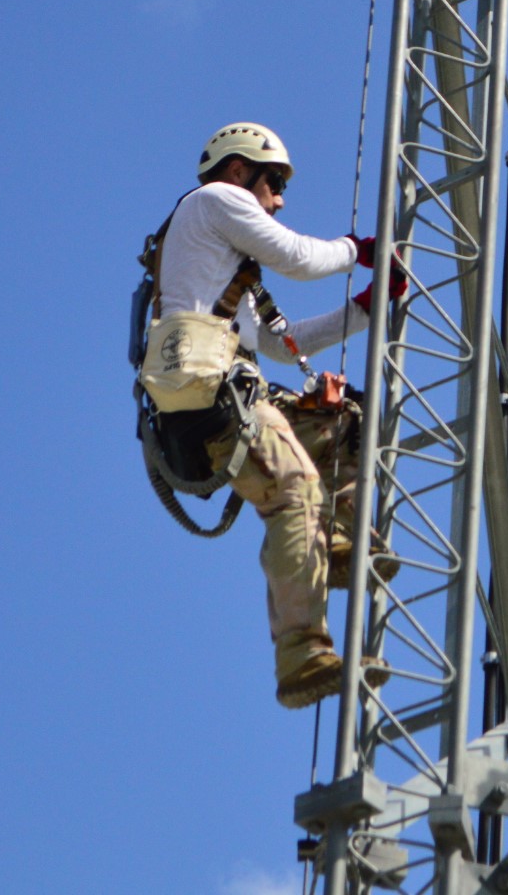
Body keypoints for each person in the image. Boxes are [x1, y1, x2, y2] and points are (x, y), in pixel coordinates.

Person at [149, 121, 402, 709]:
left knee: (338, 420)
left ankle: (336, 540)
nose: (279, 199)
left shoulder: (210, 252)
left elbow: (270, 341)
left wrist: (365, 310)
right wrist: (358, 251)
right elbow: (294, 255)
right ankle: (301, 656)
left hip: (213, 390)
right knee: (293, 491)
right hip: (209, 396)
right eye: (274, 183)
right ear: (239, 171)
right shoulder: (218, 199)